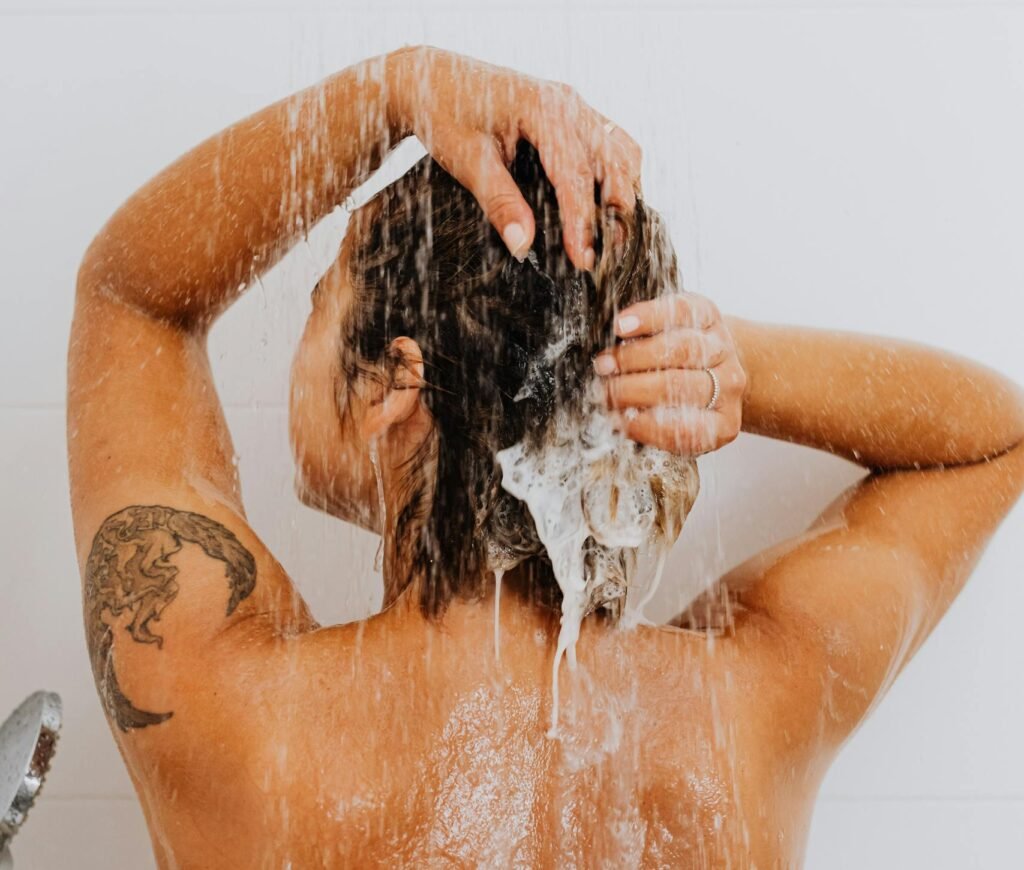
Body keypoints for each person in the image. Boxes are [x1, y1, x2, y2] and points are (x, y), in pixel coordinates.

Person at [68, 46, 1024, 868]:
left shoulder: (235, 716)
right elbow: (995, 440)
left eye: (322, 301)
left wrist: (394, 89)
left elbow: (132, 298)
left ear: (391, 381)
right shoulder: (743, 717)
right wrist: (730, 364)